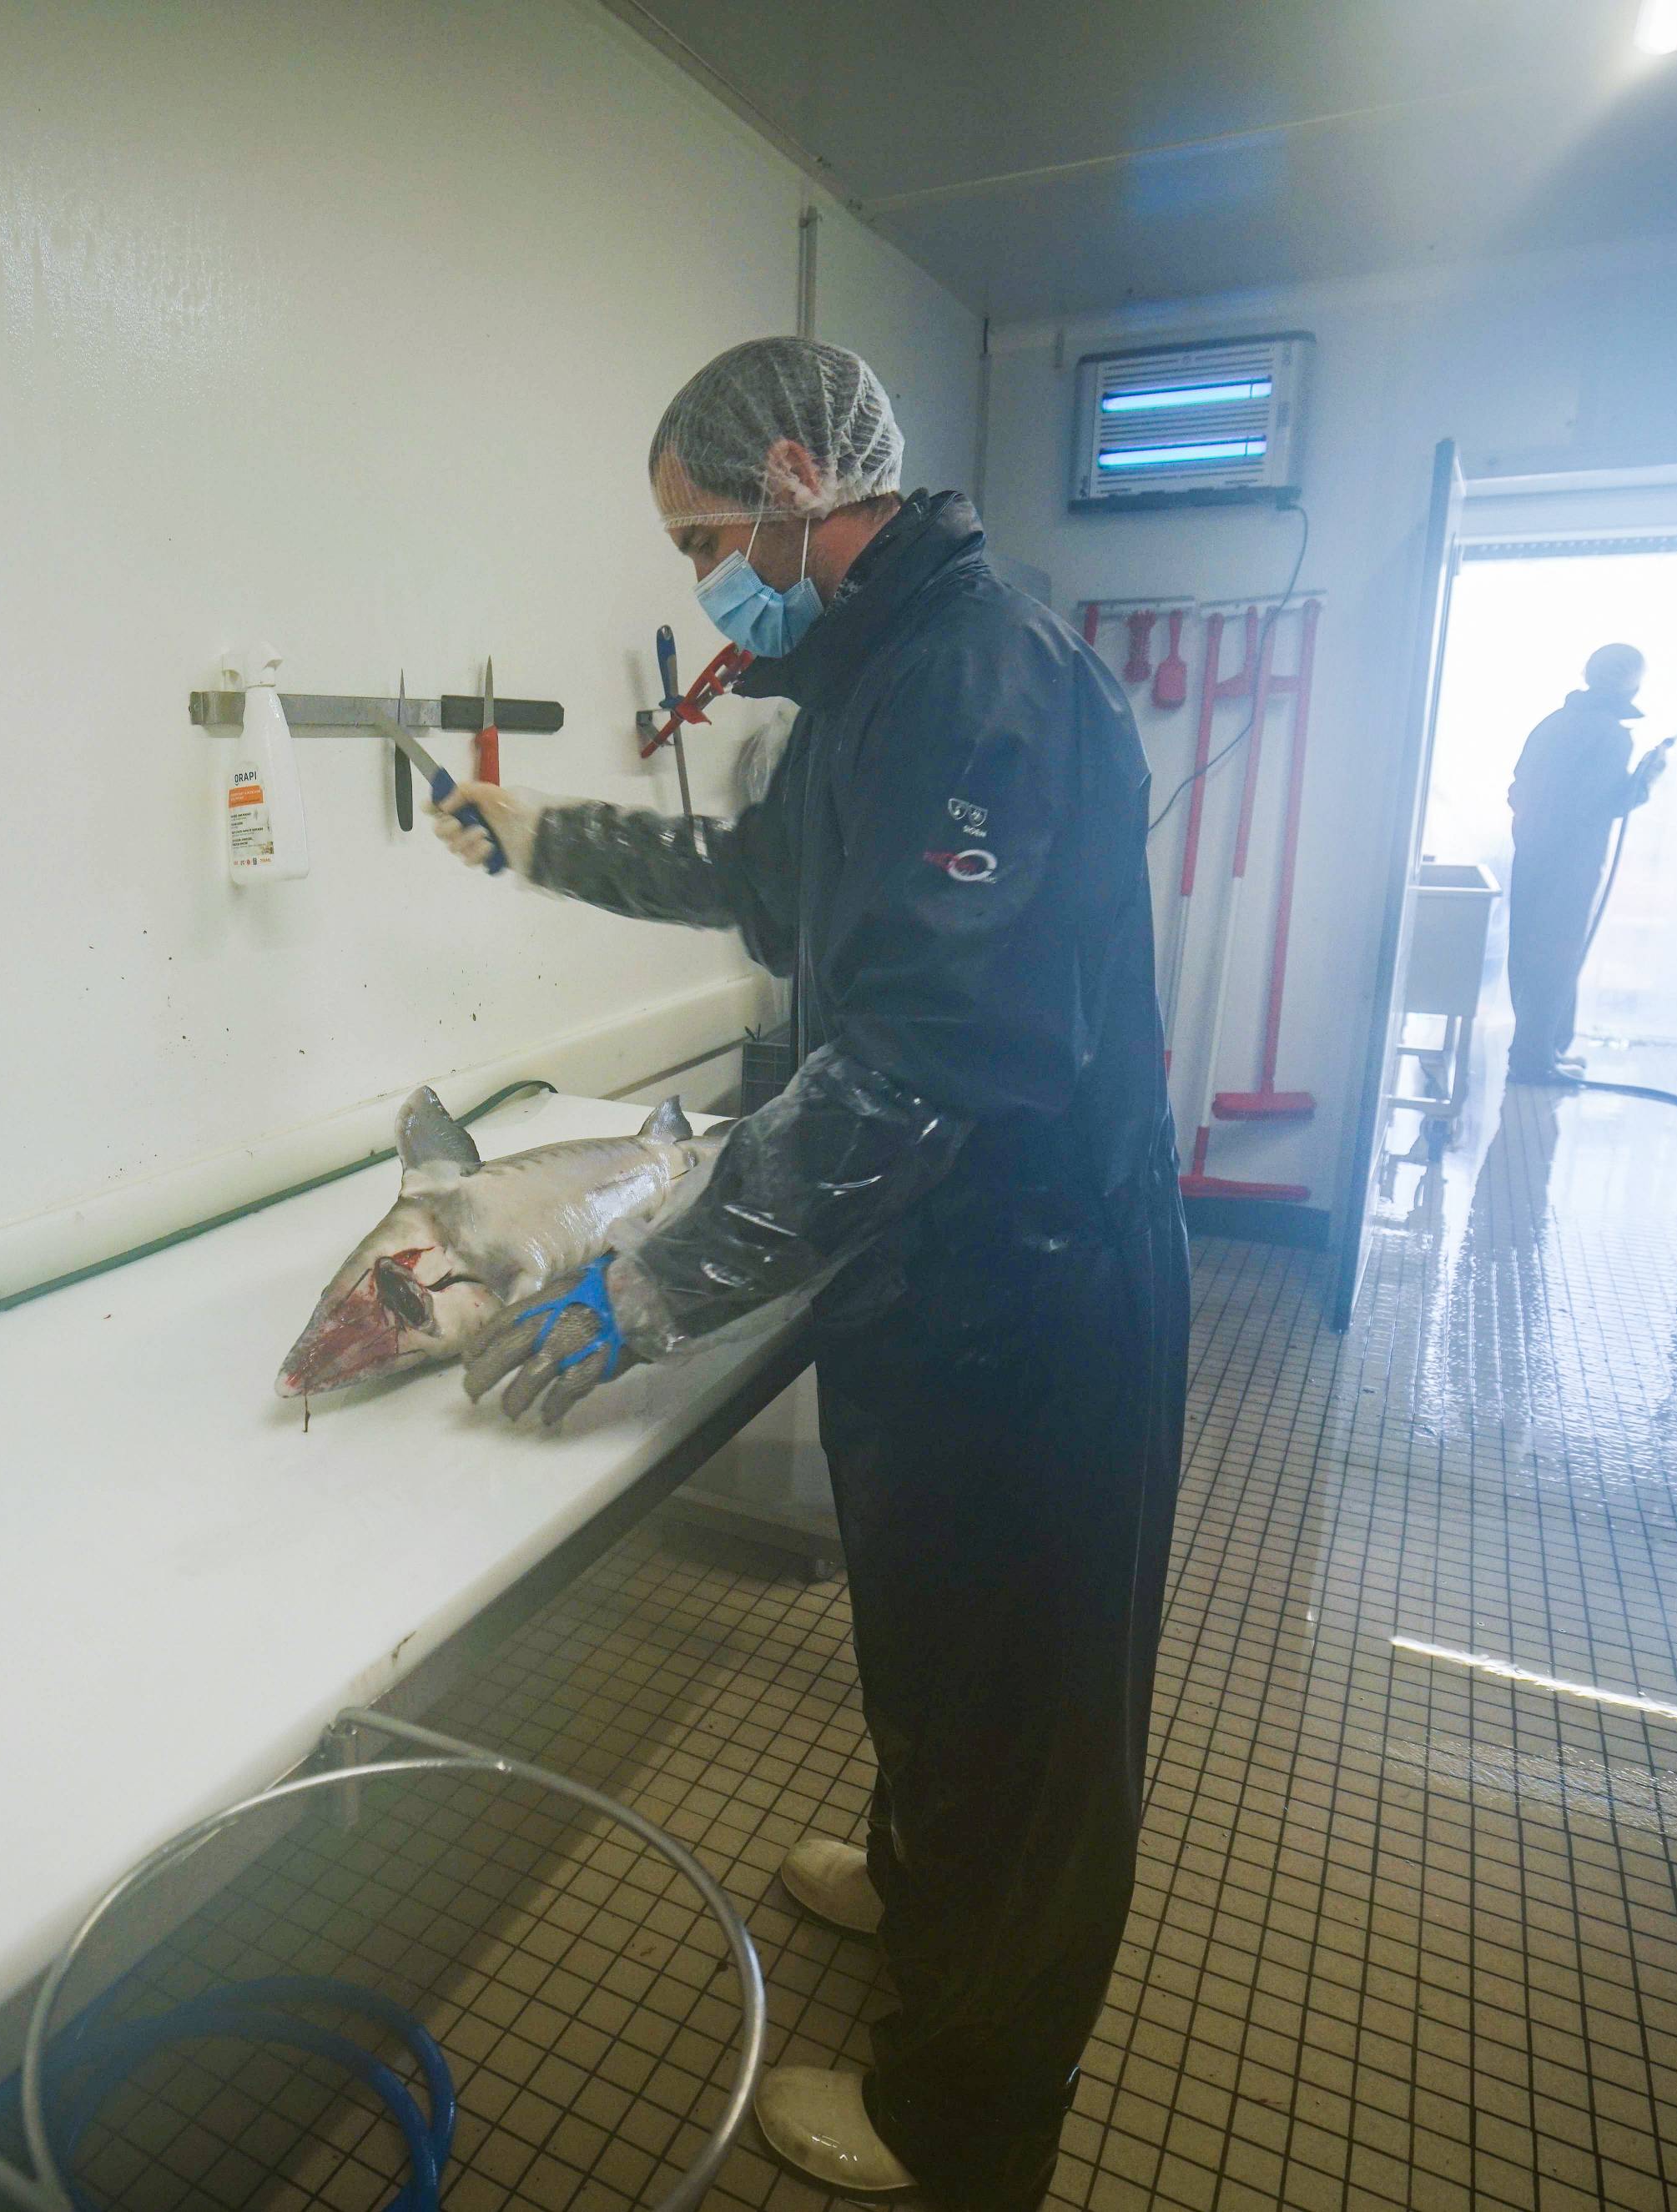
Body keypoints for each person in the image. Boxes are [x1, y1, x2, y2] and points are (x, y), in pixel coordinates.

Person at [426, 336, 1189, 2211]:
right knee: (927, 1639)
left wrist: (660, 1283)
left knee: (1024, 1713)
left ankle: (963, 2121)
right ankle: (917, 1884)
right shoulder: (866, 681)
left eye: (703, 540)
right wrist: (545, 837)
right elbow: (767, 883)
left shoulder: (980, 678)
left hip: (1036, 1289)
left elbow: (920, 1060)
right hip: (931, 1273)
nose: (706, 583)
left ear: (789, 475)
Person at [1503, 642, 1670, 1085]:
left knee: (1529, 952)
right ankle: (1536, 1059)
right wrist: (1646, 779)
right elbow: (1602, 804)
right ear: (1631, 685)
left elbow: (1518, 789)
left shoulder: (1552, 724)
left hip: (1532, 853)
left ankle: (1542, 1050)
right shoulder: (1612, 735)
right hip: (1572, 864)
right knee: (1557, 956)